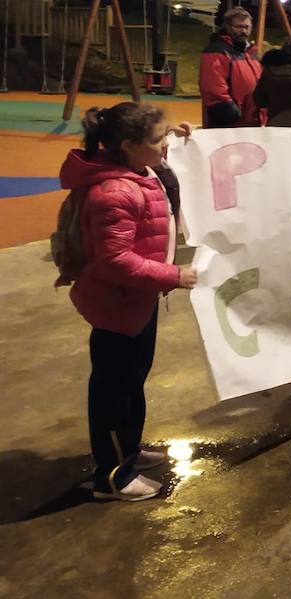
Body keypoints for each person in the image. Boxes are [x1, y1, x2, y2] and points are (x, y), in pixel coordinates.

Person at [59, 103, 197, 501]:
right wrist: (174, 275)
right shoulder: (114, 192)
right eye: (159, 139)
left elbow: (164, 173)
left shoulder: (137, 169)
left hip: (136, 300)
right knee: (115, 389)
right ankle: (112, 477)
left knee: (131, 380)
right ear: (129, 145)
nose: (165, 143)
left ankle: (128, 453)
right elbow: (114, 261)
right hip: (118, 305)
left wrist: (182, 138)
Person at [199, 6, 264, 128]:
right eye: (239, 27)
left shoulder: (251, 52)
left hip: (251, 121)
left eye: (246, 27)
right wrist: (231, 113)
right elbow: (213, 88)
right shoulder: (216, 51)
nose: (244, 31)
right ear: (228, 27)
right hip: (230, 125)